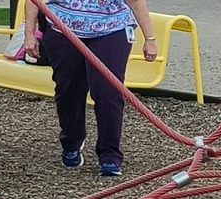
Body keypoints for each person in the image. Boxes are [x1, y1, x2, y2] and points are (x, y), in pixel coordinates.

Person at [21, 0, 158, 176]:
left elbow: (135, 1)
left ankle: (110, 154)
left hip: (111, 28)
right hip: (62, 27)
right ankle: (71, 142)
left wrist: (149, 39)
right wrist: (29, 34)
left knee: (108, 91)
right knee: (68, 89)